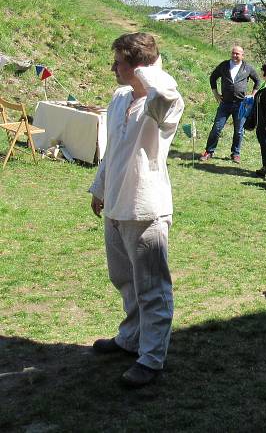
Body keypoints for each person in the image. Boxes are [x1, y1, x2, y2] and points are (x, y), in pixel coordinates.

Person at [88, 32, 185, 388]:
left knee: (151, 286)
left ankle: (152, 357)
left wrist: (145, 70)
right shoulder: (119, 98)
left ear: (137, 66)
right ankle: (130, 338)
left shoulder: (162, 106)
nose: (113, 67)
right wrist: (100, 189)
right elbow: (112, 151)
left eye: (119, 61)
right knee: (124, 279)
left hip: (146, 209)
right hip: (116, 205)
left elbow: (165, 96)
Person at [199, 45, 260, 164]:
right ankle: (209, 151)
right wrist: (216, 93)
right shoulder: (224, 65)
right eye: (233, 53)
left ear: (243, 55)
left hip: (241, 104)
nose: (235, 55)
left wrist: (252, 95)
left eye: (237, 54)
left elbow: (257, 81)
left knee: (239, 131)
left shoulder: (247, 68)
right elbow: (213, 77)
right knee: (216, 128)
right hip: (225, 103)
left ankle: (235, 154)